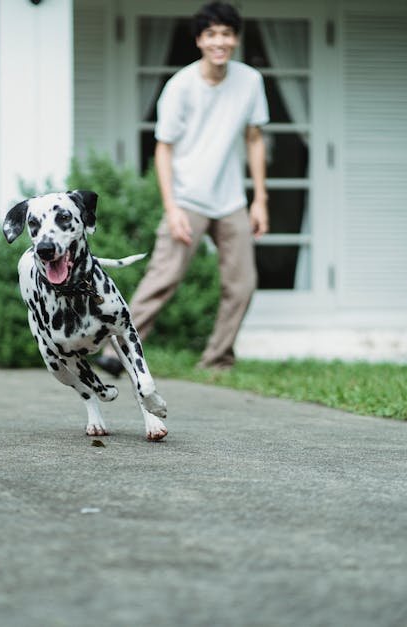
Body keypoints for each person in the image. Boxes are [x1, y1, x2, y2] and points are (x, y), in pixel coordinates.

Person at [98, 1, 269, 374]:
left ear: (236, 39)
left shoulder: (250, 82)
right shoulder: (180, 86)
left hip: (230, 201)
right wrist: (172, 208)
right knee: (164, 278)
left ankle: (217, 359)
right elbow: (164, 149)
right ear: (199, 40)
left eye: (226, 33)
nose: (219, 42)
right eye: (211, 34)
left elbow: (254, 138)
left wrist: (261, 199)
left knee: (242, 285)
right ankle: (116, 351)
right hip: (188, 197)